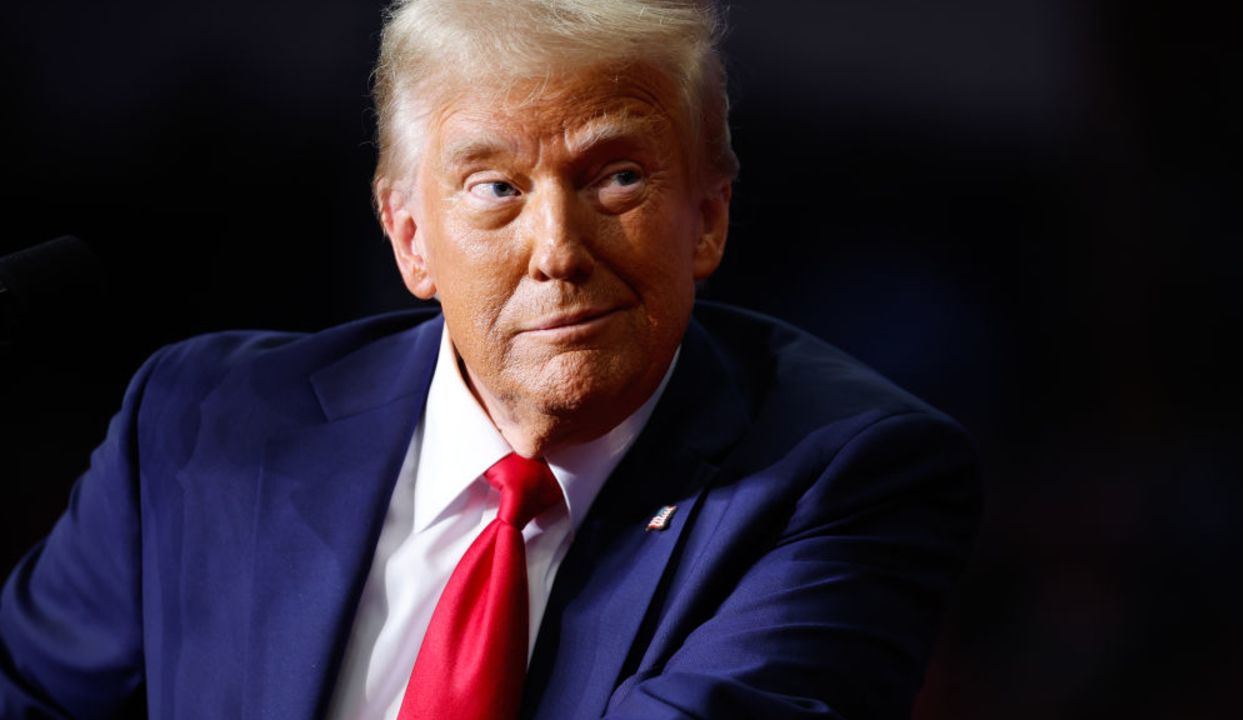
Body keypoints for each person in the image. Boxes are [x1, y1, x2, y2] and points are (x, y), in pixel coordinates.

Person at [0, 0, 980, 717]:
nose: (556, 246)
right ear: (410, 237)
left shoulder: (848, 476)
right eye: (495, 186)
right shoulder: (199, 423)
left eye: (618, 176)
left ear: (707, 219)